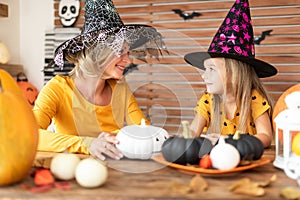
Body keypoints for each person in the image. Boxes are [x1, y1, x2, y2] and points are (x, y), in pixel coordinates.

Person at [33, 0, 165, 160]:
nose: (128, 60)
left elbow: (144, 132)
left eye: (128, 53)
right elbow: (31, 134)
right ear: (98, 53)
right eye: (121, 52)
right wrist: (89, 144)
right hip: (71, 172)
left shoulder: (120, 89)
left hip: (114, 172)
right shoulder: (57, 89)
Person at [184, 0, 277, 148]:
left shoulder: (253, 99)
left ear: (234, 74)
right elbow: (193, 131)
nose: (204, 76)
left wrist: (233, 142)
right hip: (218, 160)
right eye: (205, 69)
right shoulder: (208, 101)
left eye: (212, 69)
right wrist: (180, 140)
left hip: (247, 160)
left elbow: (265, 136)